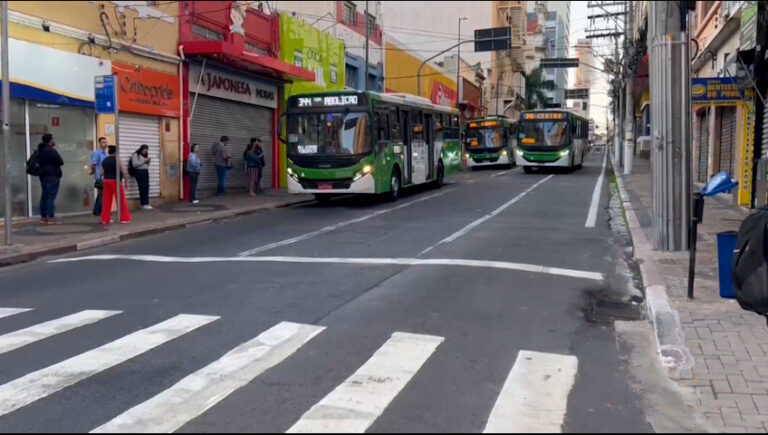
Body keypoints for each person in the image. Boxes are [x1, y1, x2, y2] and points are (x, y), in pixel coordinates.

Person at [36, 133, 64, 225]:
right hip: (52, 175)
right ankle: (51, 217)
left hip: (43, 175)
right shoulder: (50, 150)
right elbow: (60, 161)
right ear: (50, 140)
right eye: (52, 139)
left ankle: (43, 217)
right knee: (51, 197)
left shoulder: (40, 150)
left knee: (44, 196)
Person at [100, 145, 131, 224]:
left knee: (106, 201)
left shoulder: (104, 160)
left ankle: (104, 219)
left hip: (106, 181)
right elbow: (124, 171)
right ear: (116, 152)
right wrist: (126, 181)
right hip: (115, 181)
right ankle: (125, 218)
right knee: (121, 200)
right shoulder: (117, 160)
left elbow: (101, 172)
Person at [90, 136, 108, 216]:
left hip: (105, 176)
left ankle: (98, 211)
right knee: (102, 194)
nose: (105, 144)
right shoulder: (97, 153)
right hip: (100, 177)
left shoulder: (105, 154)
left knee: (102, 195)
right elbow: (93, 164)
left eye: (105, 142)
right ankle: (98, 211)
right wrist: (94, 172)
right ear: (99, 143)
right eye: (103, 142)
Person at [131, 144, 152, 210]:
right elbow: (135, 164)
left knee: (146, 187)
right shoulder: (135, 155)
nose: (145, 152)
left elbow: (146, 165)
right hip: (139, 172)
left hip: (145, 172)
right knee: (142, 187)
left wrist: (148, 161)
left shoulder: (145, 155)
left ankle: (146, 203)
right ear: (141, 149)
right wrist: (144, 161)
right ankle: (143, 204)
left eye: (146, 151)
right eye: (144, 150)